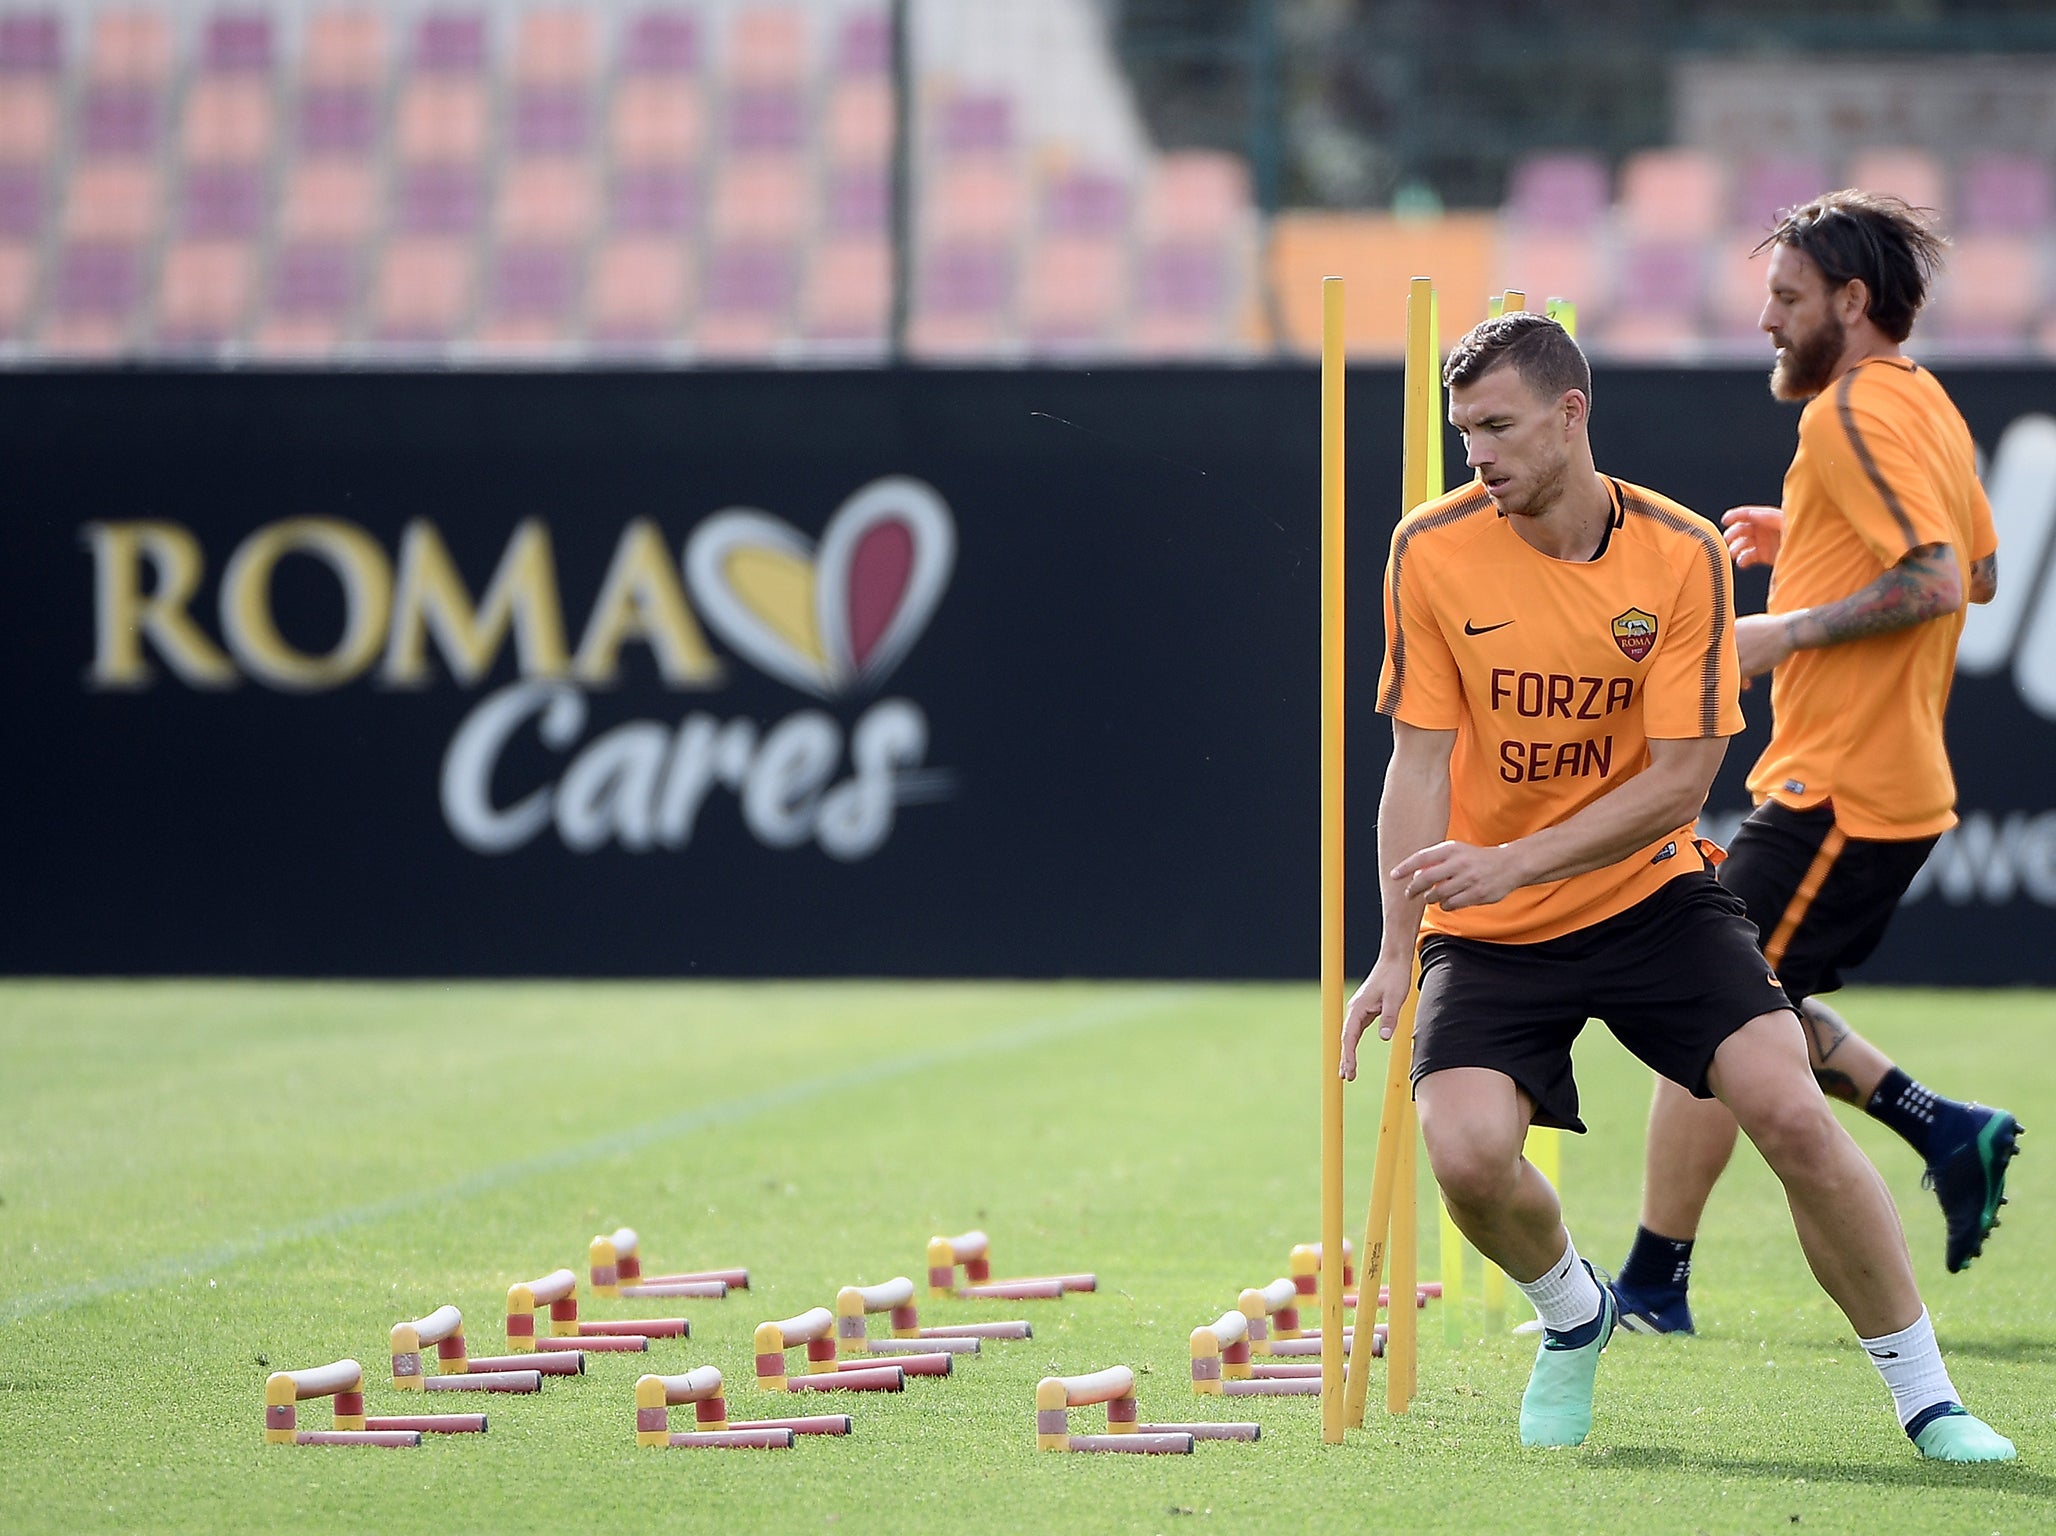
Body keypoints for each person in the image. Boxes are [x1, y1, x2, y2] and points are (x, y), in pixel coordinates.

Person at [1338, 309, 2012, 1461]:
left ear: (1571, 414)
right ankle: (1577, 1312)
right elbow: (1418, 763)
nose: (1479, 456)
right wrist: (1396, 948)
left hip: (1650, 896)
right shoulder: (1429, 546)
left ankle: (1927, 1399)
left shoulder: (1682, 549)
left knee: (1792, 1108)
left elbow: (1677, 786)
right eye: (1463, 436)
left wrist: (1511, 860)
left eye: (1497, 428)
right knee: (1464, 1157)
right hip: (1487, 928)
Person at [1609, 191, 2019, 1339]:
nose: (1763, 320)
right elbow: (1978, 575)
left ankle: (1650, 1286)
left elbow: (1936, 583)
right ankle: (1942, 1127)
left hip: (1841, 789)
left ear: (1851, 301)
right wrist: (1813, 547)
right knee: (1749, 1005)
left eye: (1785, 298)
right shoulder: (1922, 402)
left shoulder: (1846, 416)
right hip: (1863, 784)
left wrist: (1771, 631)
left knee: (1706, 1007)